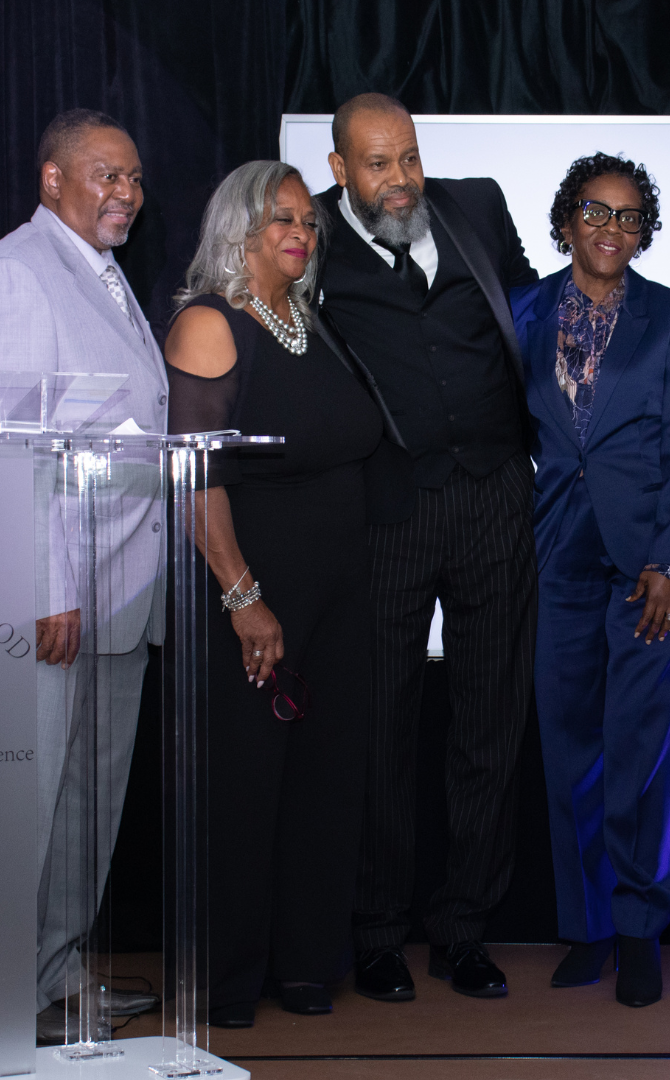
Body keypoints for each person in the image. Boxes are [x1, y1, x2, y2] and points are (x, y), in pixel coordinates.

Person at [316, 93, 538, 1001]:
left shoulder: (476, 202)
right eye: (378, 164)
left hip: (496, 496)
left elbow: (531, 310)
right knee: (381, 728)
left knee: (491, 720)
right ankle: (376, 932)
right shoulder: (305, 233)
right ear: (341, 170)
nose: (401, 179)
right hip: (388, 509)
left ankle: (463, 929)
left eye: (408, 157)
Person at [165, 160, 394, 1027]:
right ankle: (227, 979)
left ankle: (304, 964)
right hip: (254, 594)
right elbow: (196, 480)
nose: (301, 232)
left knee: (325, 780)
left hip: (338, 593)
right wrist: (242, 596)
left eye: (306, 220)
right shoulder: (211, 323)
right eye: (280, 219)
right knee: (245, 785)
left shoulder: (308, 318)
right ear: (239, 228)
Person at [511, 152, 670, 1008]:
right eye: (596, 211)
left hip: (650, 565)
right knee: (570, 749)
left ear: (644, 232)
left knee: (644, 749)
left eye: (629, 217)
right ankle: (589, 923)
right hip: (555, 553)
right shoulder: (521, 310)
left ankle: (640, 928)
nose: (611, 228)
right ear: (566, 220)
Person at [0, 109, 167, 1040]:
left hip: (125, 589)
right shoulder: (22, 271)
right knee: (31, 808)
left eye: (134, 178)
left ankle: (56, 975)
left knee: (88, 809)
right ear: (53, 179)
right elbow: (17, 446)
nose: (127, 194)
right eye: (108, 176)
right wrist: (48, 584)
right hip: (59, 597)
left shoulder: (99, 270)